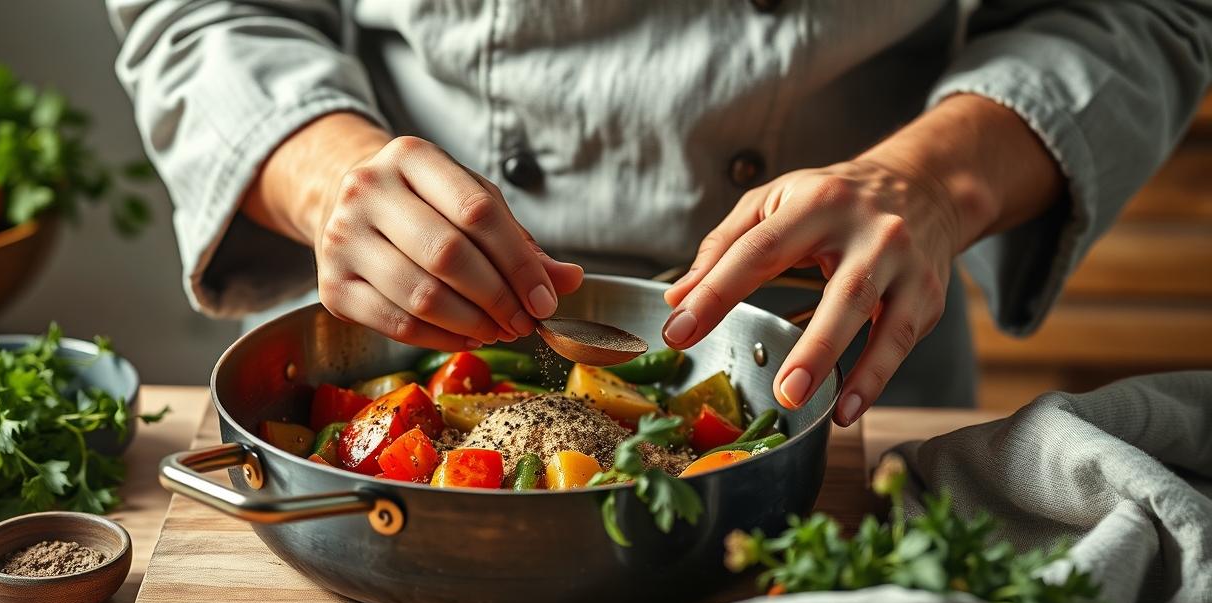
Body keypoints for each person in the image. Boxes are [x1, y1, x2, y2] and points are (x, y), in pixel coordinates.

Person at [108, 1, 1210, 424]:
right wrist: (323, 172)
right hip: (409, 342)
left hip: (838, 367)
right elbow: (202, 16)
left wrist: (934, 181)